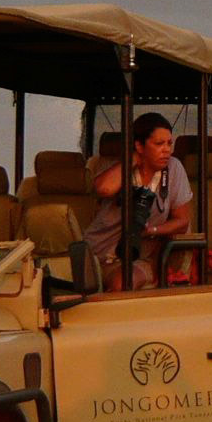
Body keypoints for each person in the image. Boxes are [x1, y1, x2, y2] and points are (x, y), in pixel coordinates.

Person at [86, 112, 193, 291]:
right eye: (159, 144)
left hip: (138, 259)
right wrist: (135, 158)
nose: (167, 150)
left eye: (169, 143)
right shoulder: (117, 167)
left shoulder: (173, 168)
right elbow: (103, 188)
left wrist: (152, 230)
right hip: (97, 254)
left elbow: (182, 221)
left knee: (123, 283)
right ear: (139, 146)